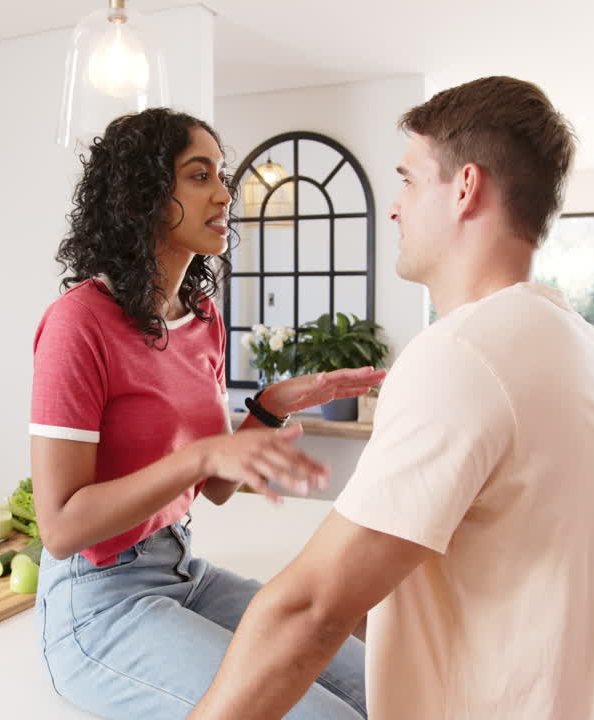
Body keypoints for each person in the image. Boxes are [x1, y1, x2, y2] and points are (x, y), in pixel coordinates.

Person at [191, 76, 594, 720]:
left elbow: (312, 608)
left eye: (408, 180)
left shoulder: (465, 353)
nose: (395, 207)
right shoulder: (580, 347)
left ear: (465, 188)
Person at [30, 107, 385, 720]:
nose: (225, 193)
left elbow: (214, 487)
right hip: (97, 607)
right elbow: (60, 528)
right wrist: (203, 453)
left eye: (220, 174)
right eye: (200, 176)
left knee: (381, 685)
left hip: (182, 570)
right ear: (142, 195)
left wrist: (268, 409)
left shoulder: (202, 318)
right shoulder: (78, 323)